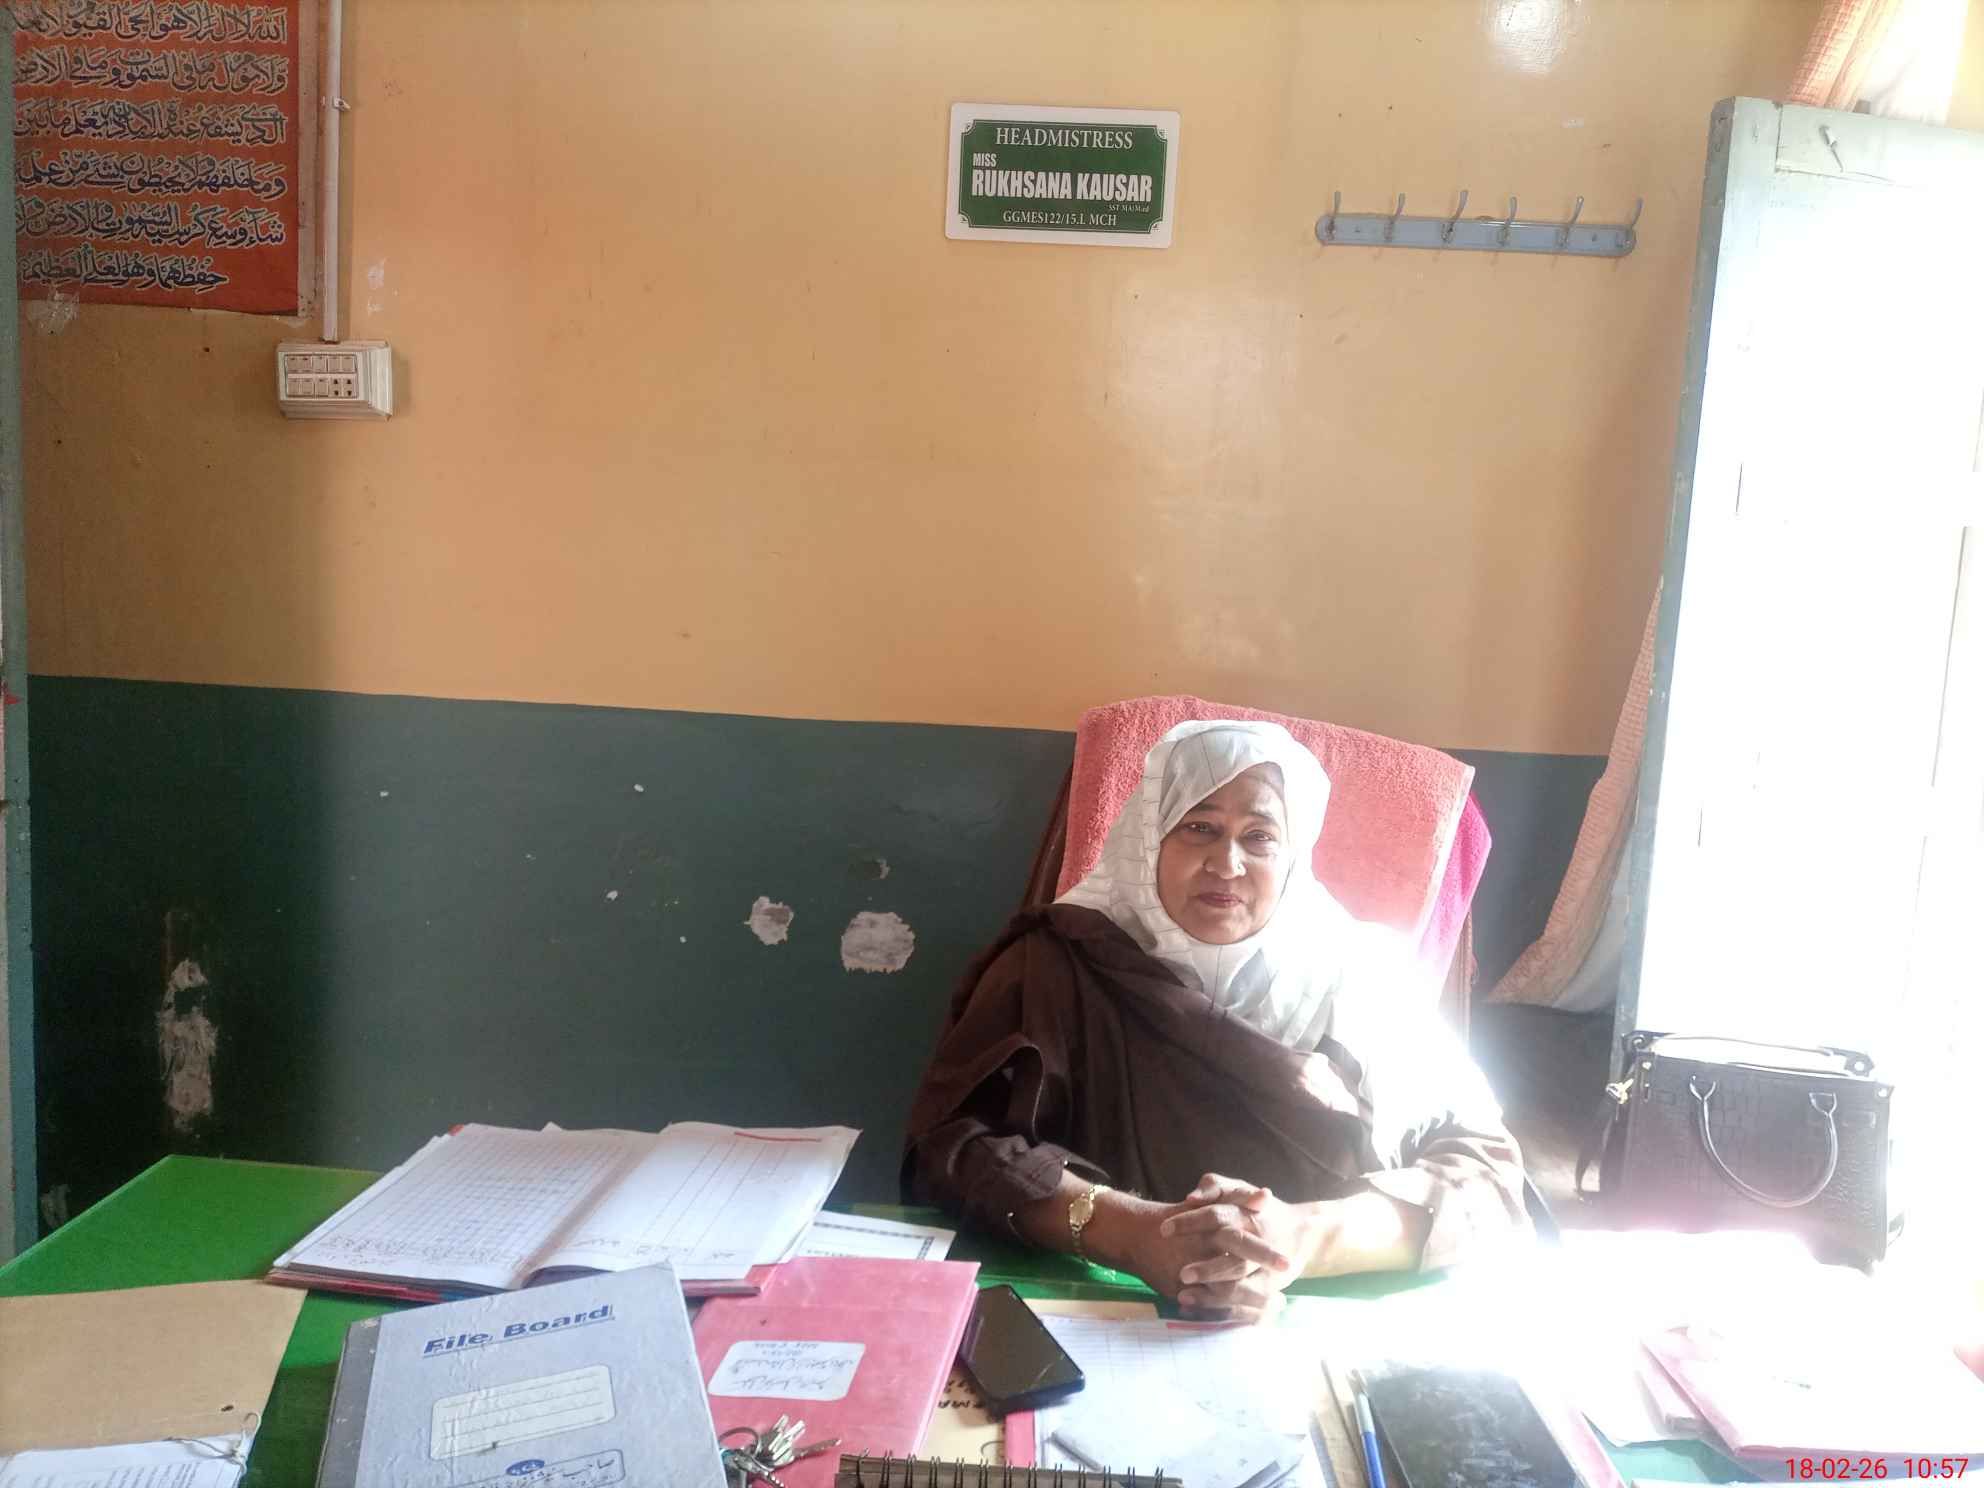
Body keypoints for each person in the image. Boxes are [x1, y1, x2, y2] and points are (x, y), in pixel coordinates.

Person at [903, 719, 1529, 1320]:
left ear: (1293, 855)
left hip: (1324, 1312)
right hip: (1097, 1305)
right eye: (1199, 827)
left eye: (1260, 836)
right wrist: (1133, 1234)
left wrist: (1299, 1240)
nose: (1227, 863)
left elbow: (1487, 1175)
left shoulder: (1361, 977)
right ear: (1148, 839)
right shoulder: (1054, 962)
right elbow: (951, 1149)